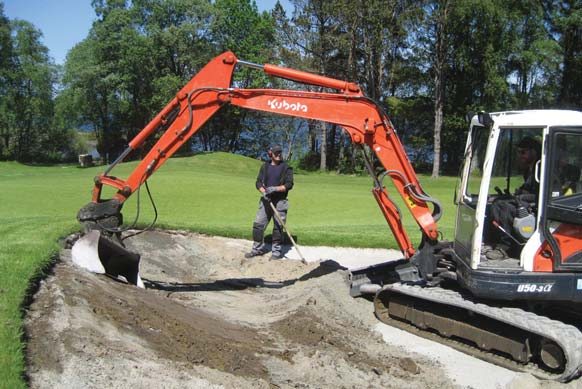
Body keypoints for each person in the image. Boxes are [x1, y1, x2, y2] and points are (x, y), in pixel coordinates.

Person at [486, 136, 541, 260]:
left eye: (523, 152)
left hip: (537, 204)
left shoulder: (542, 168)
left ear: (534, 152)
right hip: (528, 200)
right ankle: (495, 241)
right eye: (518, 152)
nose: (520, 155)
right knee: (496, 202)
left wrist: (519, 197)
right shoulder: (529, 169)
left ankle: (506, 248)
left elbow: (540, 193)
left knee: (506, 208)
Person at [245, 144, 294, 260]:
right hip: (266, 200)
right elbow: (258, 182)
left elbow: (289, 184)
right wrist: (264, 192)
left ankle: (276, 252)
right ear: (270, 154)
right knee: (258, 225)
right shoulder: (265, 166)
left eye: (280, 153)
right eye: (276, 153)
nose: (278, 155)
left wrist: (275, 188)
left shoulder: (286, 167)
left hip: (280, 201)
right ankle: (257, 249)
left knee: (278, 227)